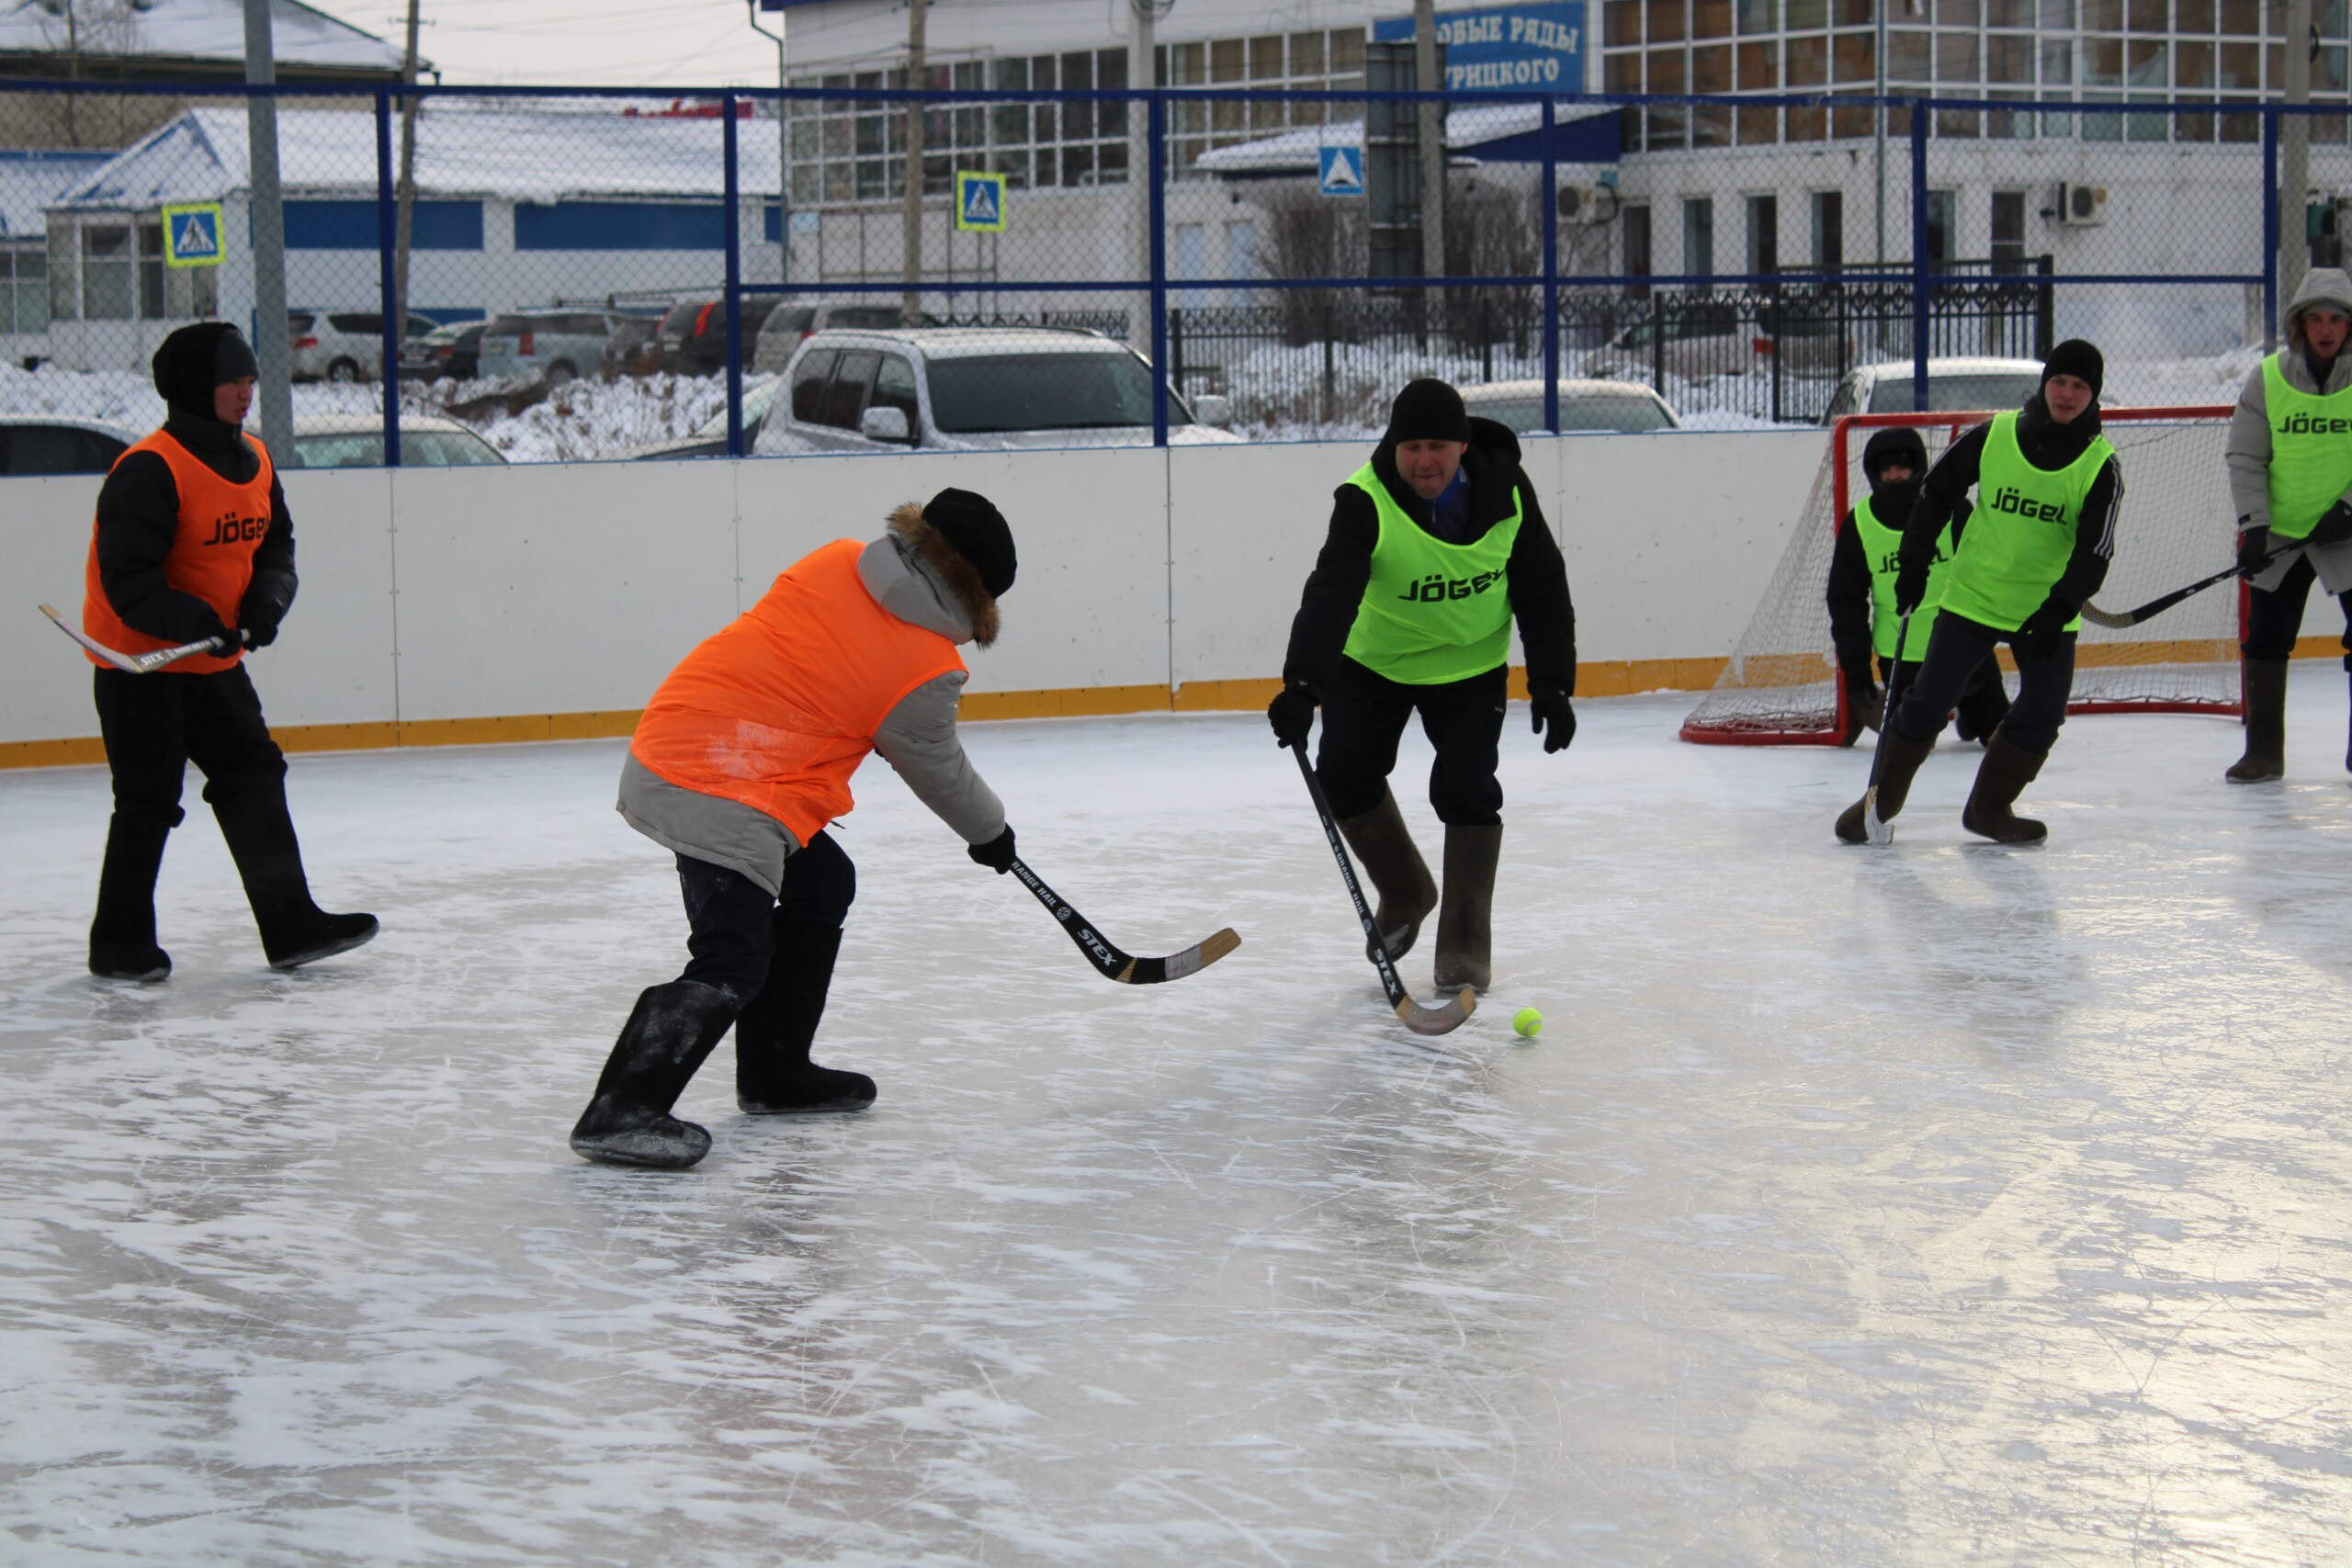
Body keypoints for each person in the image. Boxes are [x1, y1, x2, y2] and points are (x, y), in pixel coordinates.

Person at [571, 489, 1020, 1170]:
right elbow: (938, 769)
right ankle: (623, 1109)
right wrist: (991, 833)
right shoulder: (924, 665)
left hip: (677, 739)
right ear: (979, 596)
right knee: (733, 956)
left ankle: (775, 1072)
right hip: (725, 784)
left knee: (822, 881)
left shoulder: (836, 559)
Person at [81, 321, 377, 981]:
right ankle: (119, 944)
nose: (246, 393)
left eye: (250, 380)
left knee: (254, 779)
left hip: (215, 663)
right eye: (231, 381)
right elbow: (127, 579)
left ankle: (292, 924)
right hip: (140, 669)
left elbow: (276, 547)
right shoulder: (150, 470)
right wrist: (194, 619)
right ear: (194, 388)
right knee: (147, 800)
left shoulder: (256, 459)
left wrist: (266, 604)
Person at [1266, 378, 1577, 993]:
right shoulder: (1364, 499)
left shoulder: (1508, 493)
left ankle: (1464, 943)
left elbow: (1541, 587)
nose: (1424, 461)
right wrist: (1303, 685)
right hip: (1375, 661)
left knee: (1467, 788)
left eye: (1437, 445)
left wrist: (1553, 686)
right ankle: (1406, 889)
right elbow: (1332, 592)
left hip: (1469, 667)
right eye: (1411, 446)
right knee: (1345, 775)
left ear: (1462, 446)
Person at [1834, 340, 2121, 846]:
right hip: (1974, 597)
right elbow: (1936, 491)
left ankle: (1990, 809)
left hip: (2046, 611)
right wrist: (1914, 564)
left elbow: (2094, 552)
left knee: (2044, 713)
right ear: (2044, 383)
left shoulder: (2101, 466)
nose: (2067, 394)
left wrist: (2058, 608)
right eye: (2059, 381)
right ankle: (1877, 805)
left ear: (2093, 395)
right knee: (1926, 702)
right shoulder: (1997, 434)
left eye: (2080, 386)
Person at [2222, 265, 2352, 781]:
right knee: (2266, 640)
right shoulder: (2268, 378)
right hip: (2280, 536)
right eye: (2315, 319)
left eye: (2336, 320)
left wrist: (2348, 508)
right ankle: (2263, 754)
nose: (2325, 329)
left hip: (2347, 532)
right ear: (2299, 324)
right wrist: (2254, 527)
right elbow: (2245, 457)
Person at [1826, 424, 2011, 747]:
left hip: (1961, 646)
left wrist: (1986, 635)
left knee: (1999, 737)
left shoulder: (1954, 511)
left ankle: (1970, 711)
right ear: (1874, 474)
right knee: (1909, 741)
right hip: (1901, 657)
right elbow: (1846, 603)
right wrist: (1857, 671)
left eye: (1903, 468)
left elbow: (1986, 574)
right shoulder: (1860, 525)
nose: (1895, 476)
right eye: (1887, 471)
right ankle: (1874, 712)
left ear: (1918, 469)